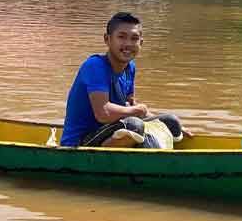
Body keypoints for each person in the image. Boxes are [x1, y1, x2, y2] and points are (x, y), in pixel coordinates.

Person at [62, 12, 187, 148]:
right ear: (107, 39)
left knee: (171, 122)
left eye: (134, 39)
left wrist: (165, 125)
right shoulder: (95, 66)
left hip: (110, 130)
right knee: (133, 125)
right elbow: (103, 113)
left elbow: (130, 106)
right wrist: (138, 110)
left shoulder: (130, 68)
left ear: (141, 43)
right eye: (121, 37)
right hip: (81, 142)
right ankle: (98, 161)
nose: (128, 44)